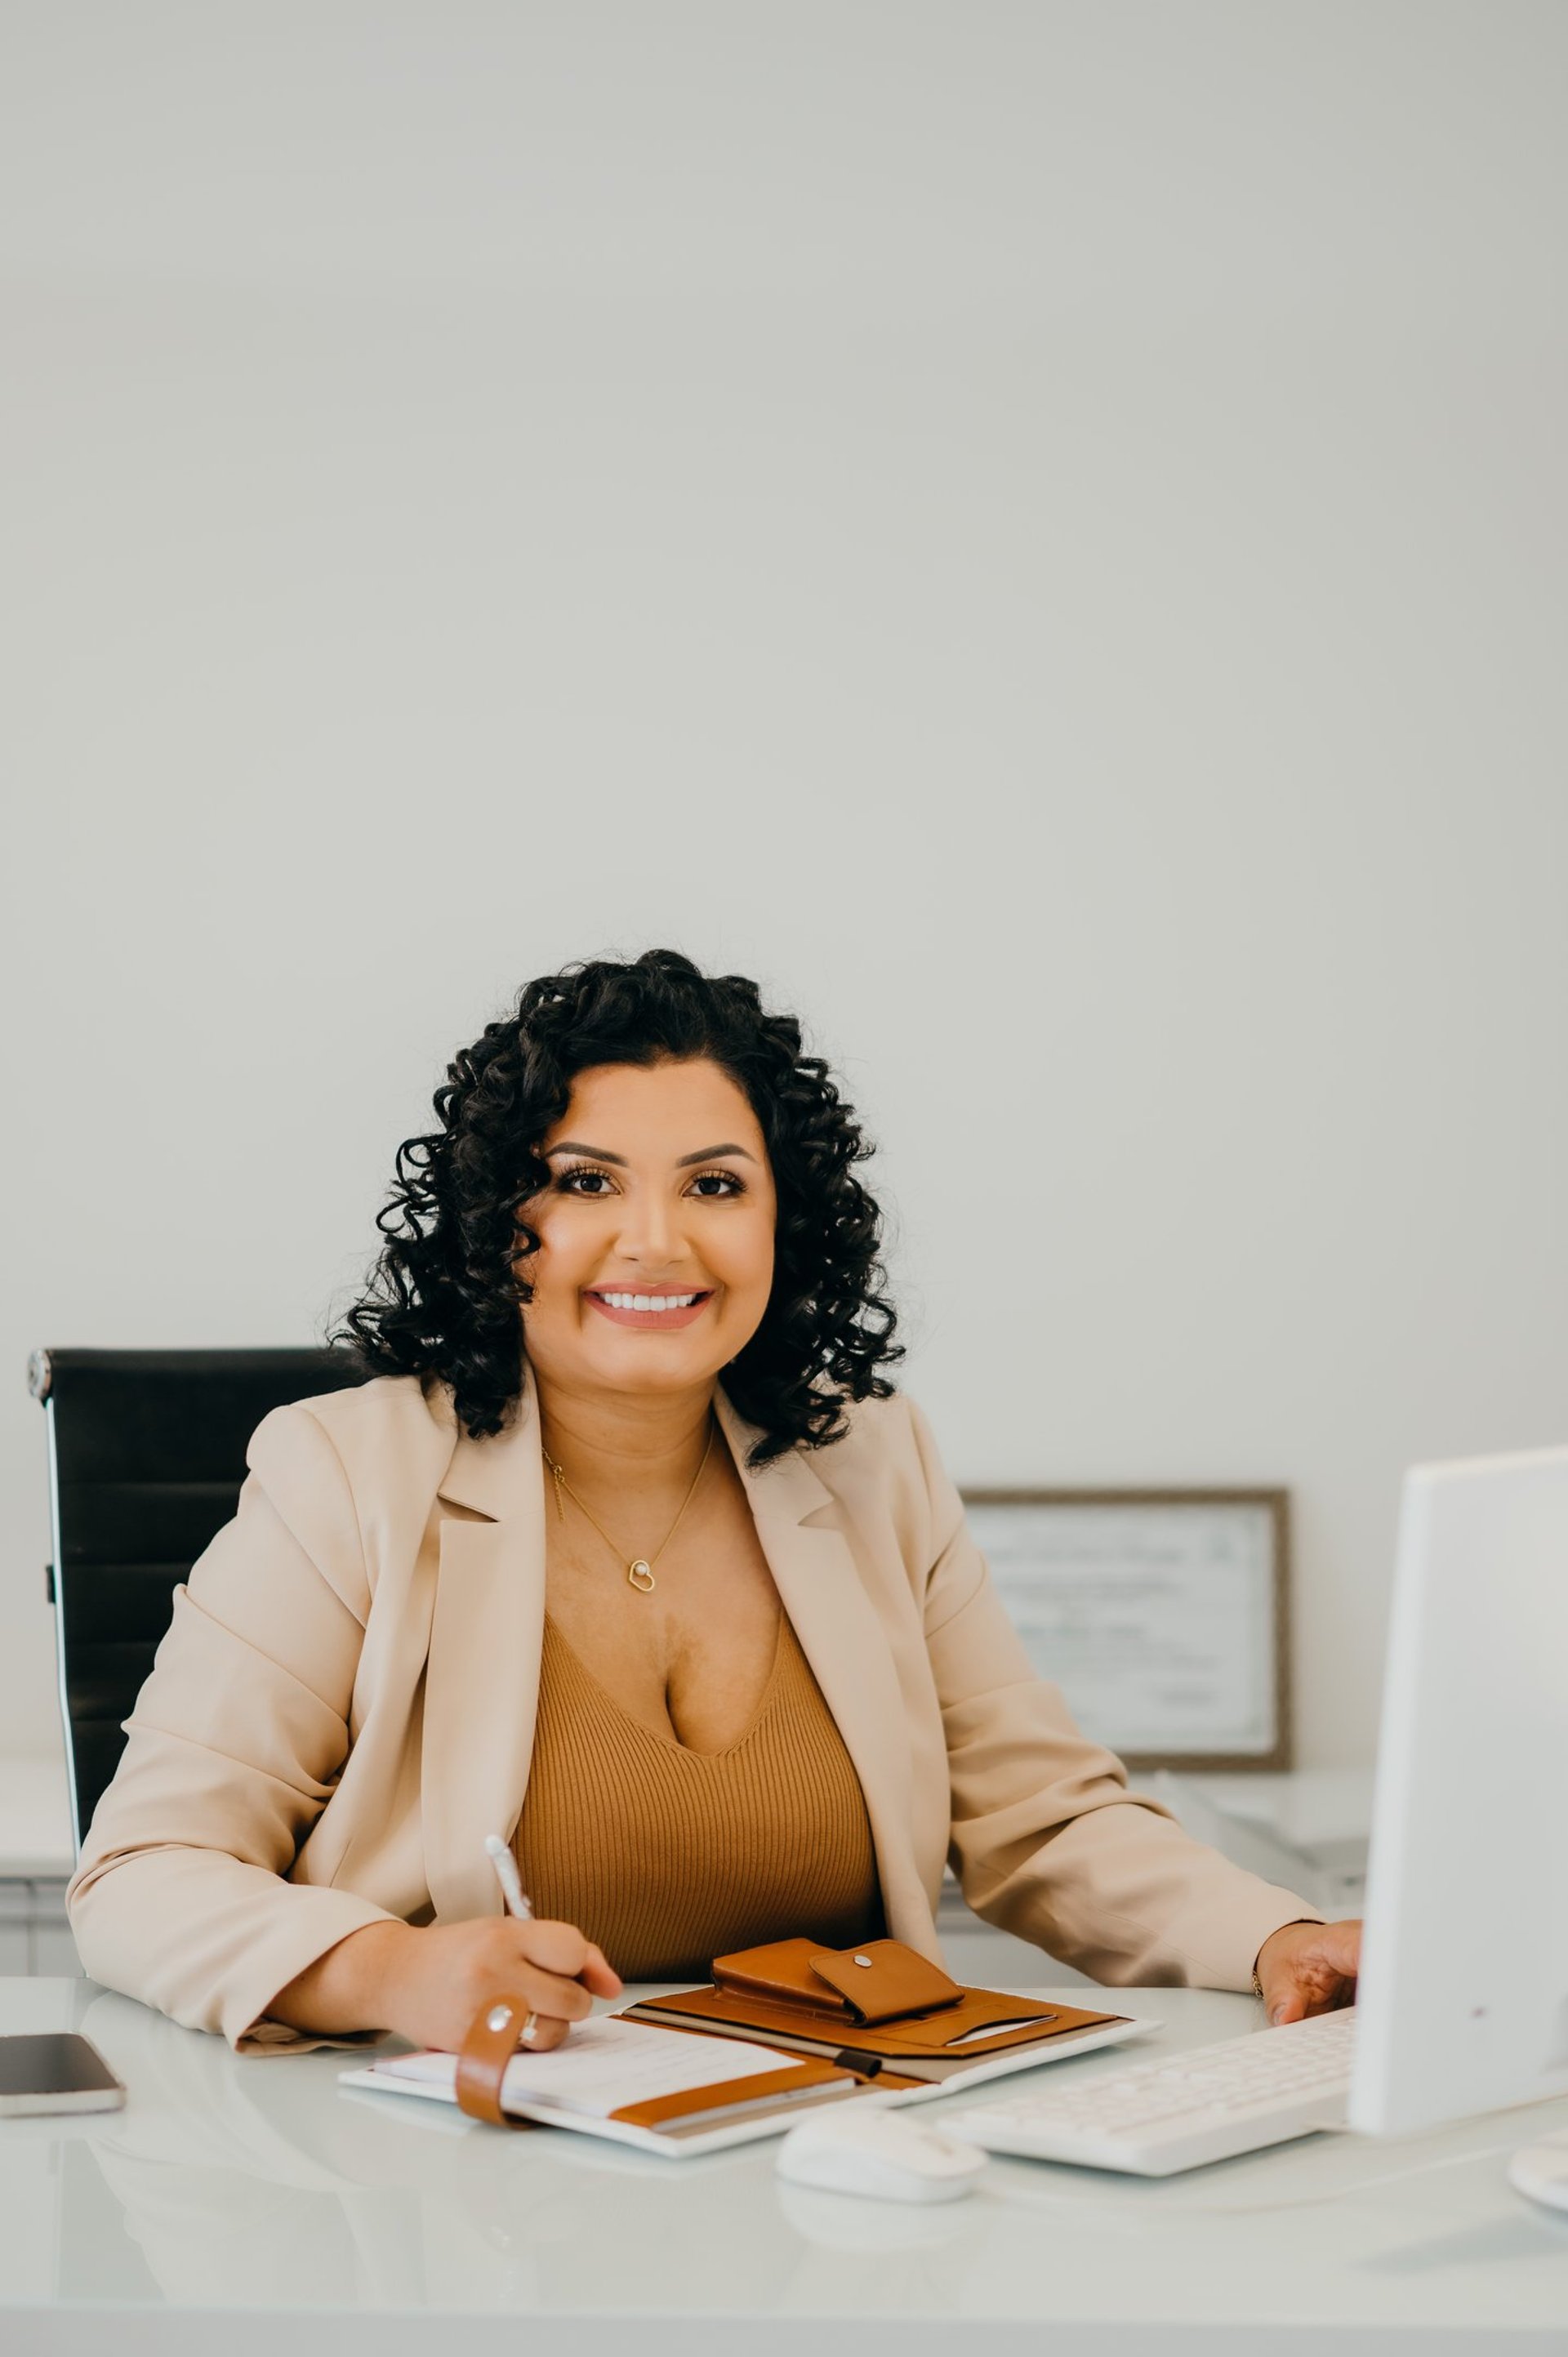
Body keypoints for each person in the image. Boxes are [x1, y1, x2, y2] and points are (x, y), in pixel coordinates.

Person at [67, 950, 1360, 2055]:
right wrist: (394, 1973)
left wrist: (1277, 1936)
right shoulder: (344, 1471)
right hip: (455, 2171)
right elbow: (140, 1873)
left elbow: (1045, 1817)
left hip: (820, 2161)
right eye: (583, 1181)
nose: (656, 1241)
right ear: (493, 1220)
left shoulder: (871, 1462)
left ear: (783, 1224)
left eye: (715, 1183)